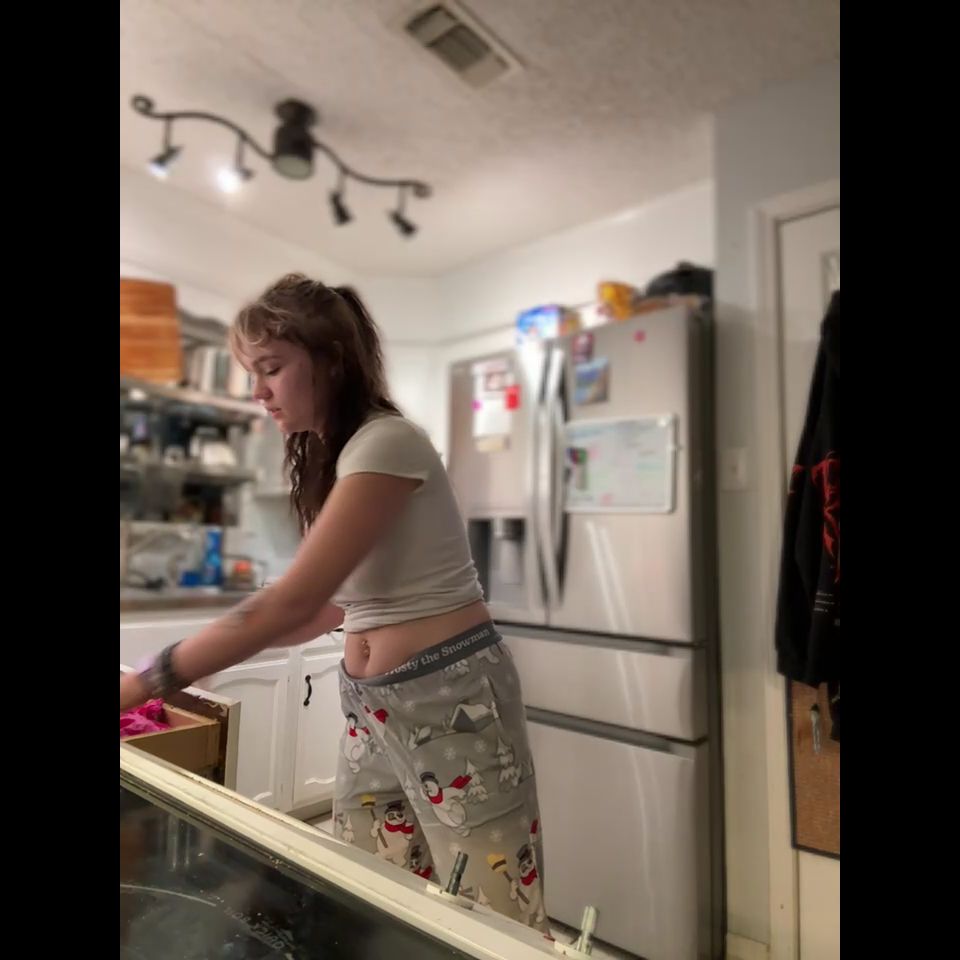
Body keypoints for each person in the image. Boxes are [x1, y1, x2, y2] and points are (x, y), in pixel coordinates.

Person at [120, 274, 548, 930]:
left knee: (492, 908)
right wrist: (234, 641)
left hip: (452, 696)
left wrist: (147, 680)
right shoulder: (341, 457)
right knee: (373, 886)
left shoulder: (387, 441)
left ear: (331, 361)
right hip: (373, 703)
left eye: (271, 369)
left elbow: (295, 605)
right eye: (252, 373)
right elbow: (326, 610)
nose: (258, 391)